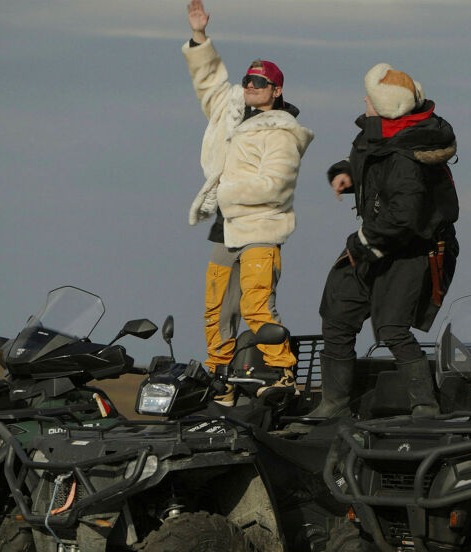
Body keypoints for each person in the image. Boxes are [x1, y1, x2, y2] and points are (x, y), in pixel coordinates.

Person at [310, 63, 459, 418]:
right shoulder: (378, 133)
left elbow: (404, 217)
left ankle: (425, 406)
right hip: (375, 244)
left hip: (410, 251)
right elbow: (366, 166)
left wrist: (362, 241)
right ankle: (334, 403)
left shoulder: (407, 156)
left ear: (386, 106)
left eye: (371, 97)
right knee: (338, 311)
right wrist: (346, 175)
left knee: (392, 327)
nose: (364, 99)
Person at [183, 0, 314, 404]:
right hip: (224, 228)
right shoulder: (229, 110)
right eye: (248, 81)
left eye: (261, 83)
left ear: (277, 90)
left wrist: (221, 191)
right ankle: (219, 380)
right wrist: (200, 37)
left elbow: (275, 185)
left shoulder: (283, 132)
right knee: (217, 311)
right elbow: (208, 81)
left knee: (257, 308)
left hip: (259, 230)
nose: (252, 87)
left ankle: (283, 374)